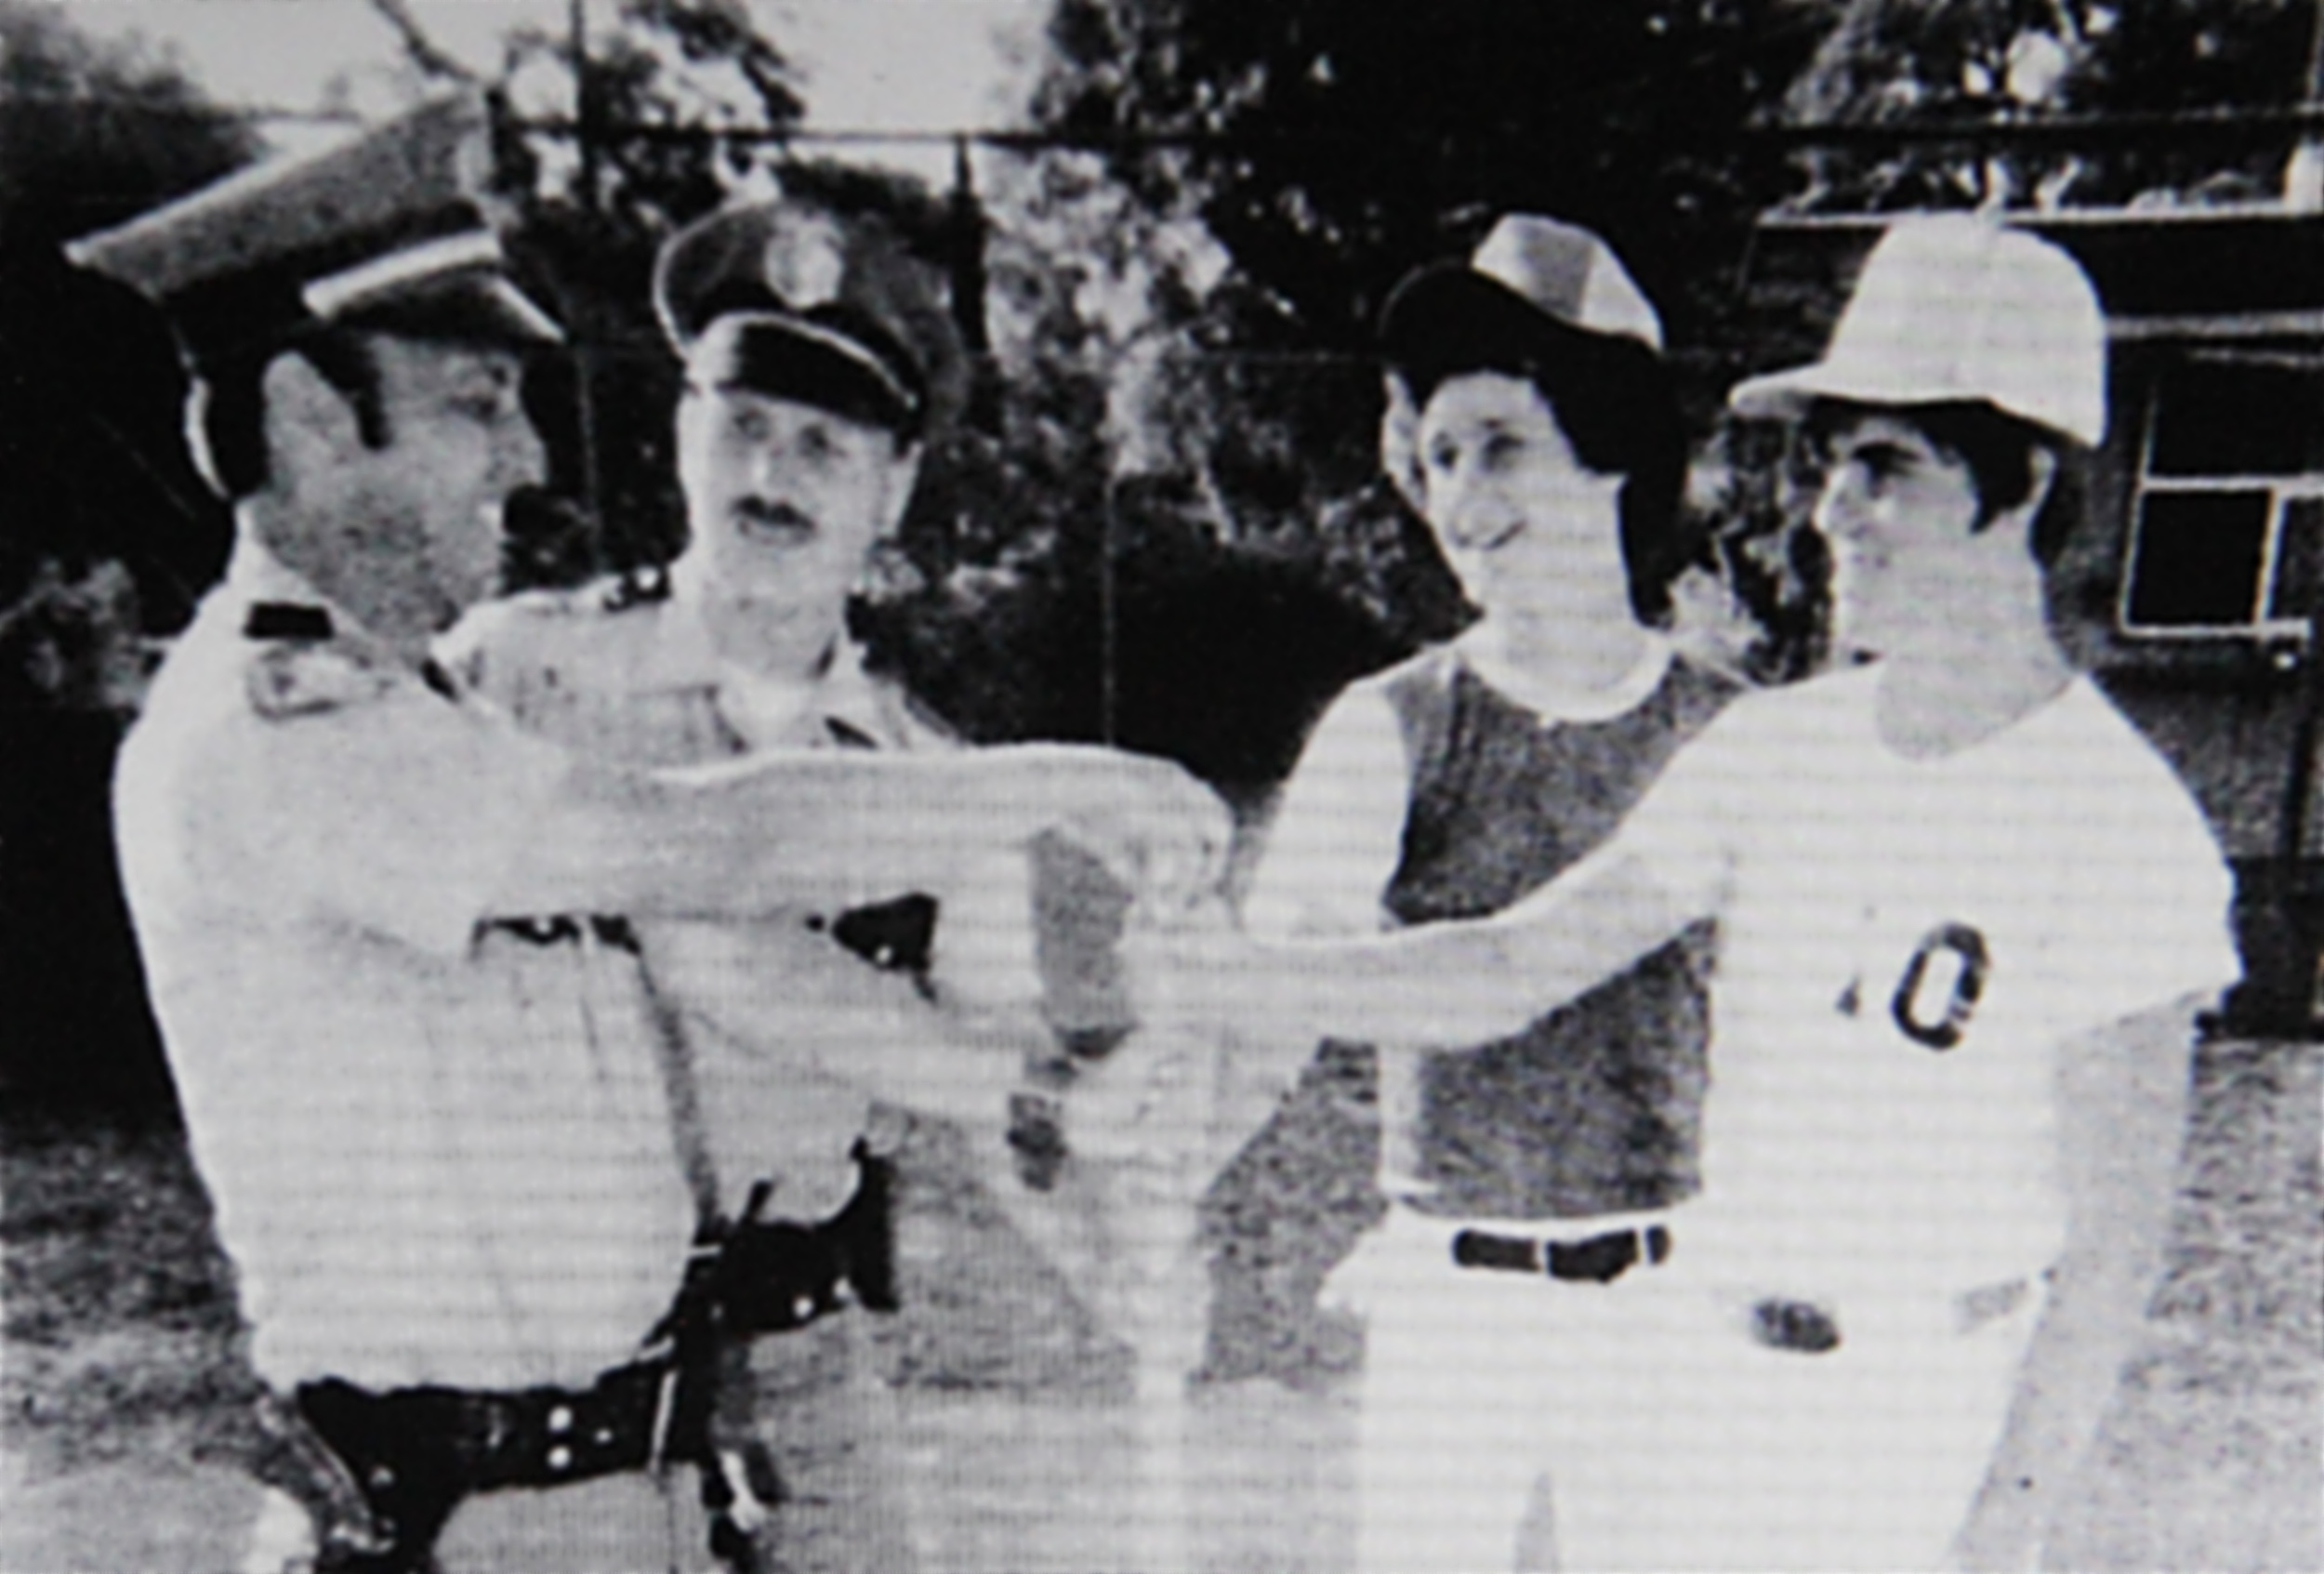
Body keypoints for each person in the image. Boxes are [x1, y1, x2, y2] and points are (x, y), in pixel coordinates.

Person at [87, 95, 1224, 1574]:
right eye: (473, 404)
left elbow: (728, 954)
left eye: (829, 442)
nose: (529, 462)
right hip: (469, 1500)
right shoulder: (293, 725)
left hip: (652, 1462)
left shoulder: (428, 713)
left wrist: (1056, 1118)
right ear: (311, 414)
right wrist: (1071, 784)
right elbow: (717, 860)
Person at [1171, 214, 2239, 1571]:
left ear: (2021, 481)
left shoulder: (2125, 827)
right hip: (1711, 1406)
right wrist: (1233, 976)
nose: (1830, 512)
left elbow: (2111, 1253)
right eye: (1828, 466)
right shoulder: (1774, 749)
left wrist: (2003, 1523)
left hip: (1929, 1413)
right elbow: (1511, 967)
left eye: (1884, 468)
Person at [442, 193, 1135, 1570]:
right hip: (551, 1355)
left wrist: (1124, 1250)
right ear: (683, 437)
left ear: (892, 492)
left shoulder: (922, 779)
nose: (775, 474)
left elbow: (1008, 1081)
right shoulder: (515, 676)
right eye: (744, 425)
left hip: (805, 1363)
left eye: (824, 445)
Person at [1237, 212, 1736, 1574]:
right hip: (1453, 1302)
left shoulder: (1733, 732)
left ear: (1613, 449)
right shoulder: (1391, 724)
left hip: (1672, 1292)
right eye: (1439, 454)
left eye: (1502, 444)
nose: (1460, 494)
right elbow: (1279, 980)